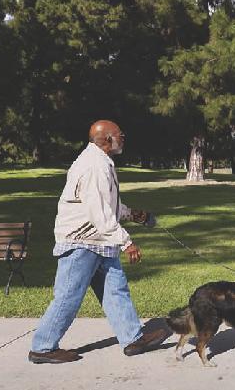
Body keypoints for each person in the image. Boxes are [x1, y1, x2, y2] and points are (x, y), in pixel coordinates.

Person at [28, 120, 169, 364]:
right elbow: (99, 214)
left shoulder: (100, 162)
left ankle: (132, 339)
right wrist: (127, 243)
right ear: (106, 140)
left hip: (99, 242)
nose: (122, 139)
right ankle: (42, 347)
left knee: (116, 290)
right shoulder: (94, 166)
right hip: (82, 243)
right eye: (119, 136)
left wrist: (129, 213)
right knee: (68, 296)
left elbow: (104, 205)